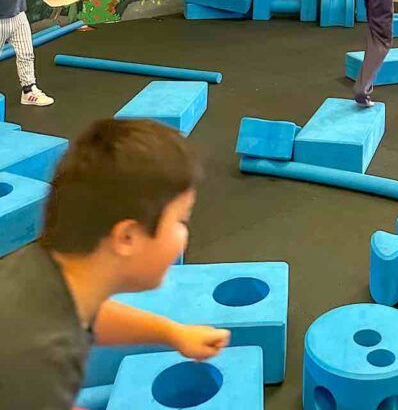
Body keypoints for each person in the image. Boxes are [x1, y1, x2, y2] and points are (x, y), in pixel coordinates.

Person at [0, 118, 230, 409]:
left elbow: (90, 317)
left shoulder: (37, 272)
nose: (185, 234)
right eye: (181, 220)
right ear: (127, 237)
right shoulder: (37, 358)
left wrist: (173, 333)